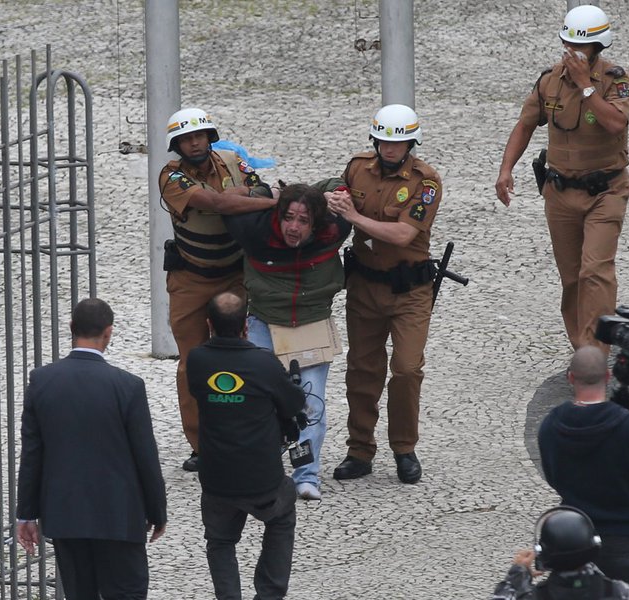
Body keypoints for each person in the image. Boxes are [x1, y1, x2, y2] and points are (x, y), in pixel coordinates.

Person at [495, 5, 629, 353]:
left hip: (606, 192)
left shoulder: (615, 81)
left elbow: (616, 124)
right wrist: (505, 170)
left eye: (582, 47)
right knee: (572, 279)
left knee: (595, 272)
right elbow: (526, 124)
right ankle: (582, 349)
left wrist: (587, 87)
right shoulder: (549, 81)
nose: (574, 52)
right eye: (569, 44)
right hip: (560, 192)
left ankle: (596, 353)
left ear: (598, 47)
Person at [16, 298, 168, 600]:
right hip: (119, 514)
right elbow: (145, 456)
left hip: (66, 514)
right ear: (109, 333)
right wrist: (157, 511)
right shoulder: (128, 386)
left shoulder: (42, 380)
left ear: (72, 328)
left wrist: (26, 514)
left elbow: (33, 452)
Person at [325, 104, 443, 484]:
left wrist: (354, 217)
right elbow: (339, 199)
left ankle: (404, 448)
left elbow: (404, 234)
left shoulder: (426, 182)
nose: (389, 149)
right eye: (384, 141)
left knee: (407, 369)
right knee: (362, 369)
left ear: (411, 143)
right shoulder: (358, 166)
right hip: (364, 285)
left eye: (398, 142)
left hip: (410, 291)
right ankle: (359, 449)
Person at [158, 107, 276, 472]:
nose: (194, 143)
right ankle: (201, 444)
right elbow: (220, 203)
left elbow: (261, 186)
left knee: (244, 357)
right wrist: (275, 204)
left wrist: (254, 193)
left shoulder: (230, 159)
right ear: (176, 145)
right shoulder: (171, 175)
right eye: (186, 139)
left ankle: (246, 435)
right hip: (190, 280)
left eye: (199, 135)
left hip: (234, 276)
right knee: (191, 362)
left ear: (210, 136)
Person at [223, 182, 352, 500]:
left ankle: (306, 475)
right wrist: (265, 198)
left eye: (304, 220)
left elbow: (342, 184)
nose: (294, 227)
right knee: (256, 401)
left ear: (316, 223)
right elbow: (227, 201)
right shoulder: (253, 230)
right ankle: (259, 469)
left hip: (312, 322)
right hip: (264, 322)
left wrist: (334, 190)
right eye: (289, 217)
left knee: (311, 403)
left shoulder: (335, 228)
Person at [187, 293, 306, 600]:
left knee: (220, 540)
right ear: (246, 327)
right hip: (262, 479)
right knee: (282, 515)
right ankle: (269, 594)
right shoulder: (263, 363)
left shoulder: (198, 360)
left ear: (209, 324)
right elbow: (294, 403)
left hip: (216, 478)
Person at [537, 346, 629, 596]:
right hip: (624, 540)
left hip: (572, 538)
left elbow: (553, 477)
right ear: (608, 375)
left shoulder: (550, 425)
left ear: (570, 377)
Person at [490, 506, 629, 599]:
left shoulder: (536, 596)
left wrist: (517, 574)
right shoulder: (617, 591)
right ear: (594, 545)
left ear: (542, 554)